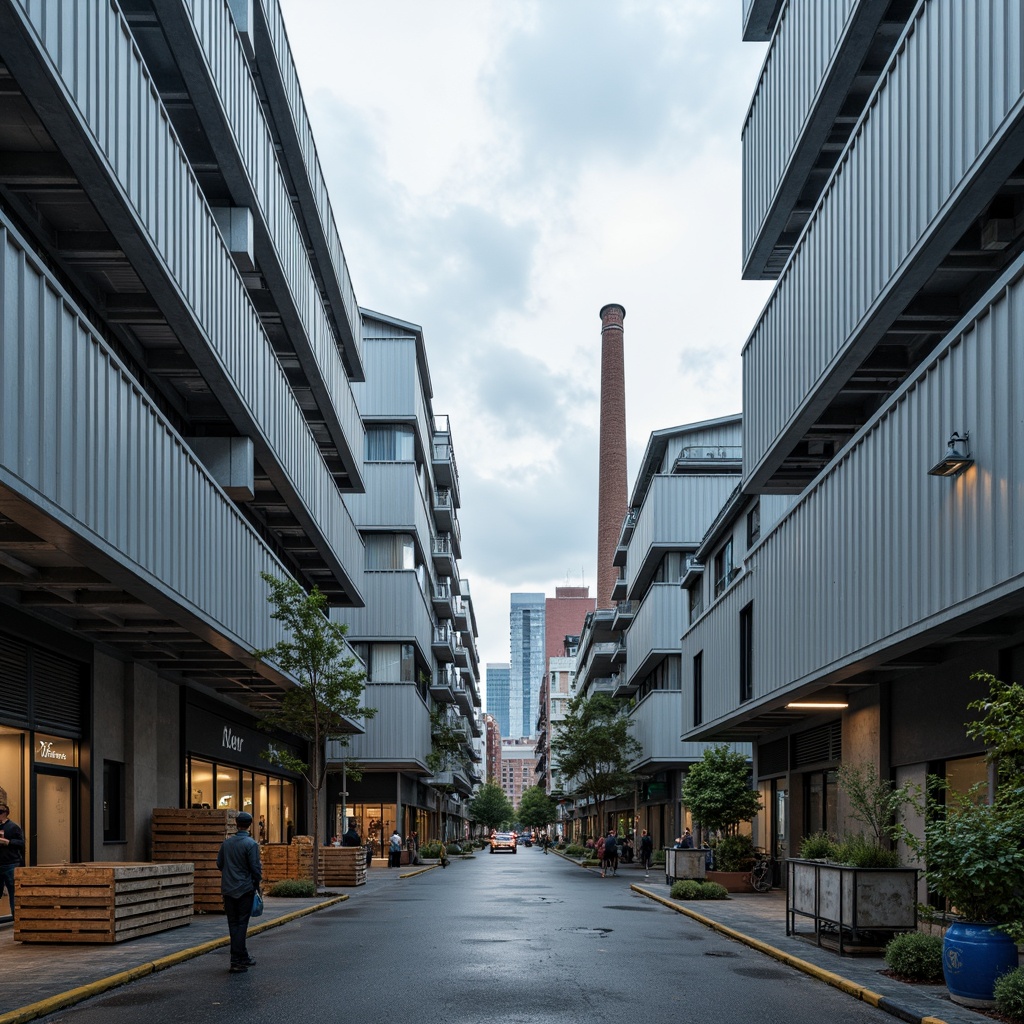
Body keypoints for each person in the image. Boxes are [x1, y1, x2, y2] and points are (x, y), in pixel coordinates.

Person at [216, 811, 262, 974]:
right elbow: (255, 868)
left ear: (236, 824)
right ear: (250, 825)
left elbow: (219, 864)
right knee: (241, 924)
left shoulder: (226, 843)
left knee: (233, 923)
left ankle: (243, 956)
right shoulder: (251, 844)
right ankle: (236, 960)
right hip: (244, 889)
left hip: (228, 889)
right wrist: (257, 884)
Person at [0, 803, 25, 918]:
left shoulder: (13, 827)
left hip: (11, 864)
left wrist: (8, 842)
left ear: (4, 813)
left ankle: (16, 919)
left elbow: (22, 843)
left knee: (13, 892)